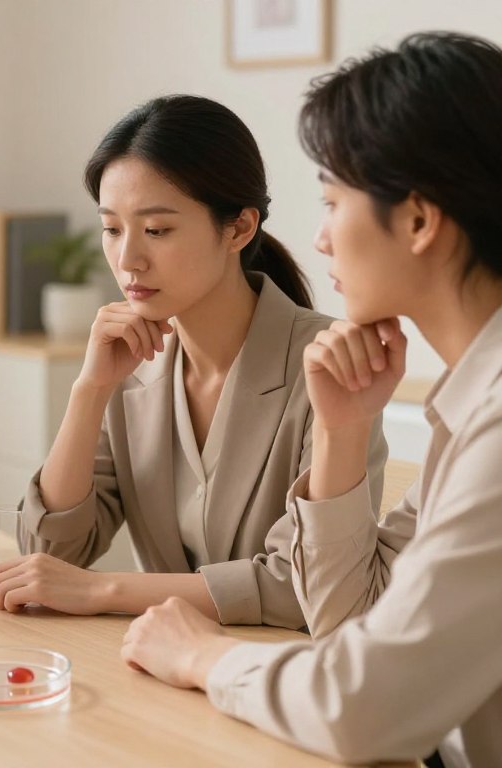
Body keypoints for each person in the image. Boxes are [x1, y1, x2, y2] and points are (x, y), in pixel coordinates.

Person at [120, 32, 502, 767]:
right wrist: (343, 430)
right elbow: (353, 624)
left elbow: (363, 706)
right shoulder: (471, 405)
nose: (321, 239)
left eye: (333, 201)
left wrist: (205, 657)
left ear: (419, 221)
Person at [0, 95, 386, 628]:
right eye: (112, 228)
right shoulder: (131, 369)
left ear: (239, 229)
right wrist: (89, 391)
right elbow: (51, 552)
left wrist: (106, 589)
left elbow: (305, 584)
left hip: (277, 676)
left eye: (156, 230)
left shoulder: (330, 366)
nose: (127, 260)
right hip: (161, 671)